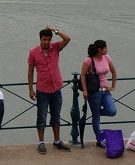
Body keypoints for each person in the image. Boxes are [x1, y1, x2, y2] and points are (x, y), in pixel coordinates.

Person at [27, 25, 73, 153]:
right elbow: (30, 71)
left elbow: (68, 39)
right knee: (41, 117)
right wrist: (30, 89)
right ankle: (41, 142)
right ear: (40, 39)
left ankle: (57, 141)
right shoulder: (33, 52)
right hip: (42, 89)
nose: (47, 42)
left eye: (48, 39)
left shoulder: (56, 48)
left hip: (56, 88)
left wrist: (55, 30)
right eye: (44, 40)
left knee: (56, 116)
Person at [80, 39, 118, 146]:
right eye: (105, 47)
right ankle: (100, 140)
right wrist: (85, 91)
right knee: (96, 118)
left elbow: (114, 71)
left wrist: (113, 87)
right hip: (94, 92)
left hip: (105, 91)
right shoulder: (89, 60)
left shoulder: (107, 58)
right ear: (99, 49)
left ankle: (96, 111)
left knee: (112, 111)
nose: (107, 49)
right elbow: (82, 75)